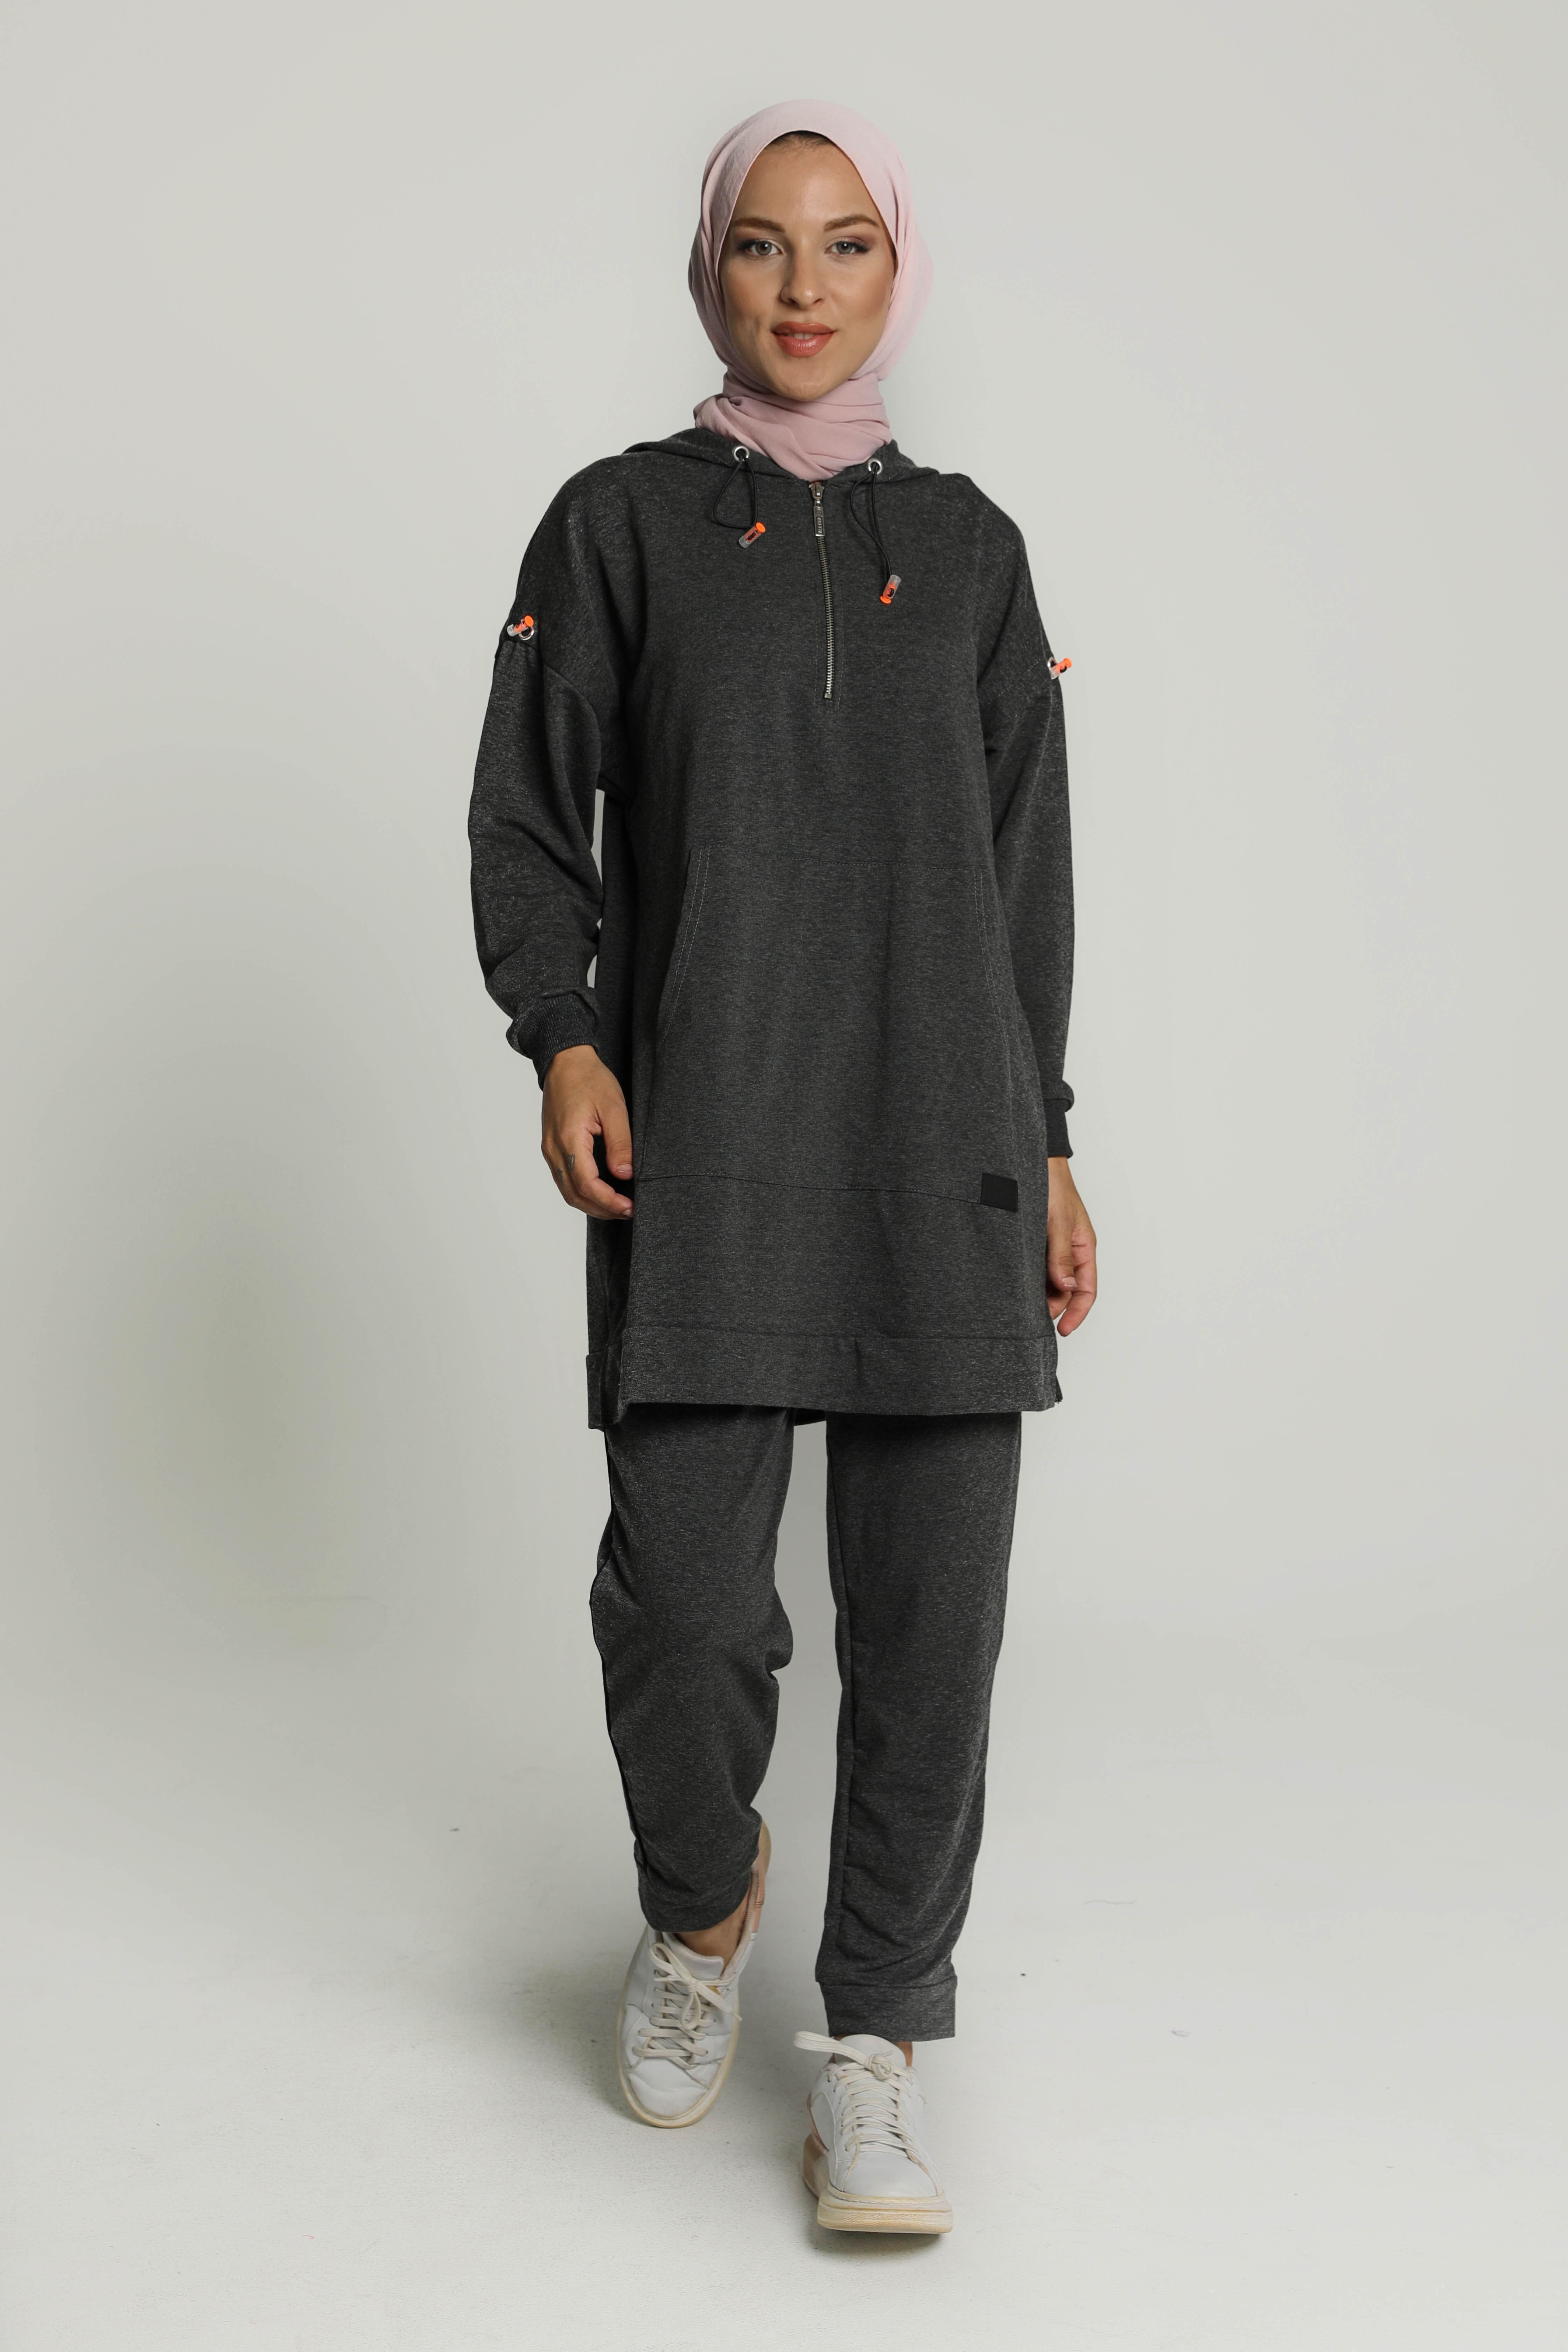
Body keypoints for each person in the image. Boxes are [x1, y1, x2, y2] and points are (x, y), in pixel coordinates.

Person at [468, 99, 1098, 2235]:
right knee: (685, 1603)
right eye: (762, 242)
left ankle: (882, 2050)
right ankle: (698, 1900)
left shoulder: (977, 554)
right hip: (712, 1137)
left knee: (931, 1630)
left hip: (944, 1146)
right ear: (709, 269)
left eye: (846, 245)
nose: (802, 285)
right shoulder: (618, 528)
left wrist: (1050, 1141)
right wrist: (565, 1035)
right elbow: (527, 812)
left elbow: (1024, 875)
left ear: (897, 274)